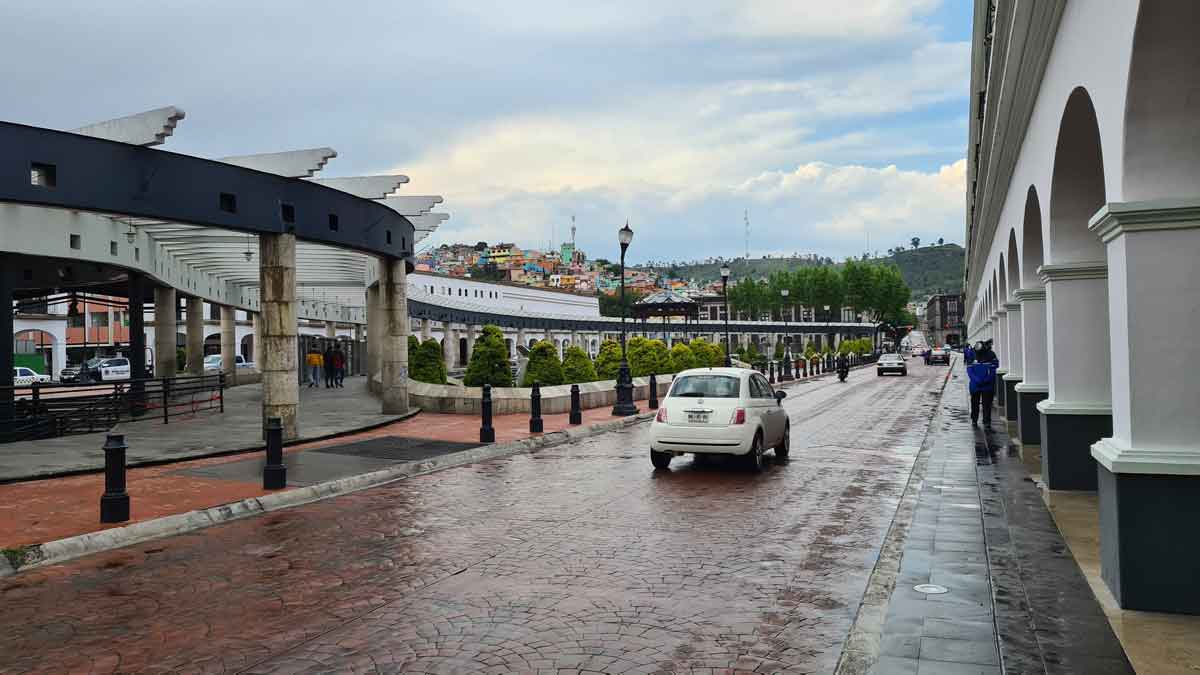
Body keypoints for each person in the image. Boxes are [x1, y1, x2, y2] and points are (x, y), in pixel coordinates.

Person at [967, 340, 999, 427]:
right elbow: (969, 370)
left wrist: (986, 379)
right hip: (975, 385)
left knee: (987, 405)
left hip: (987, 385)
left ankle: (987, 422)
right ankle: (974, 420)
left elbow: (994, 369)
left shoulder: (991, 354)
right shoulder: (971, 354)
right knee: (974, 404)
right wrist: (976, 380)